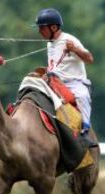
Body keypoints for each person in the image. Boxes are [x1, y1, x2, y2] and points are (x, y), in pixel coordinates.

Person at [35, 8, 97, 147]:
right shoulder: (49, 43)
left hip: (75, 83)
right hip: (55, 82)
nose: (39, 31)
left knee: (82, 96)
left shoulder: (70, 40)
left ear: (54, 27)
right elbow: (54, 65)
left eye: (42, 28)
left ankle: (85, 131)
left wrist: (75, 49)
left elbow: (90, 59)